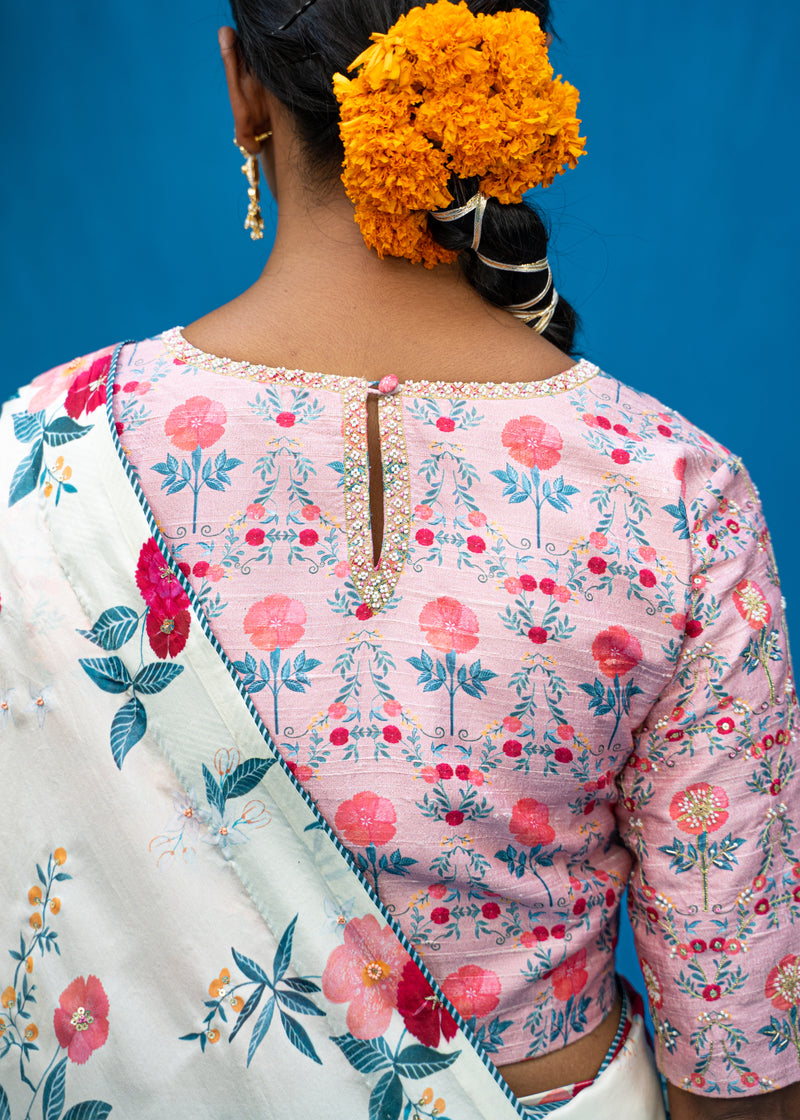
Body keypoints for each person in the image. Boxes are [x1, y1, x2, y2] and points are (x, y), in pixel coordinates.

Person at [0, 2, 797, 1118]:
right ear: (509, 91)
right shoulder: (677, 494)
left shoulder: (41, 460)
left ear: (242, 88)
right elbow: (737, 1048)